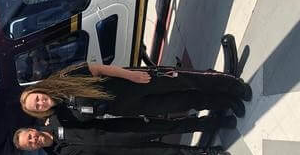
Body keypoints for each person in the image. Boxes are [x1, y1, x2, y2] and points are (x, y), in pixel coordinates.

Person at [19, 63, 252, 121]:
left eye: (36, 98)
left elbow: (97, 68)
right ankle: (225, 101)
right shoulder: (63, 116)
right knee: (183, 101)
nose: (41, 103)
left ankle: (233, 85)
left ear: (38, 90)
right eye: (37, 107)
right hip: (129, 107)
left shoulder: (64, 78)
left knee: (184, 80)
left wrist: (131, 74)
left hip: (131, 82)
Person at [12, 125, 234, 155]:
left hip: (125, 130)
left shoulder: (57, 119)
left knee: (170, 128)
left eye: (29, 137)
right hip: (121, 153)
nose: (33, 141)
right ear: (31, 149)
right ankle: (211, 154)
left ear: (31, 129)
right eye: (30, 145)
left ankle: (210, 123)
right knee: (170, 152)